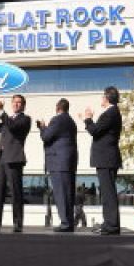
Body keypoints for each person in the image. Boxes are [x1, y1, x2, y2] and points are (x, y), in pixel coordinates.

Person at [0, 95, 31, 232]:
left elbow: (13, 127)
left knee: (16, 192)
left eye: (19, 103)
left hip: (14, 159)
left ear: (23, 105)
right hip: (1, 158)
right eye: (15, 102)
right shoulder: (7, 119)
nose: (17, 105)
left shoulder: (25, 119)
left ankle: (17, 224)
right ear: (11, 104)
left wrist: (1, 111)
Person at [84, 86, 123, 235]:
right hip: (106, 158)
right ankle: (109, 223)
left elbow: (95, 131)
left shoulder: (110, 113)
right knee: (107, 193)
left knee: (108, 193)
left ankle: (112, 225)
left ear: (107, 98)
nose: (101, 99)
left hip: (106, 158)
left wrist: (87, 119)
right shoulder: (112, 113)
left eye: (102, 97)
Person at [38, 98, 78, 232]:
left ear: (58, 107)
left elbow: (46, 137)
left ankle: (65, 223)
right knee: (68, 193)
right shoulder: (71, 121)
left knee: (61, 193)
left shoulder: (57, 120)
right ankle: (69, 222)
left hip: (58, 162)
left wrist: (43, 127)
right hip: (68, 162)